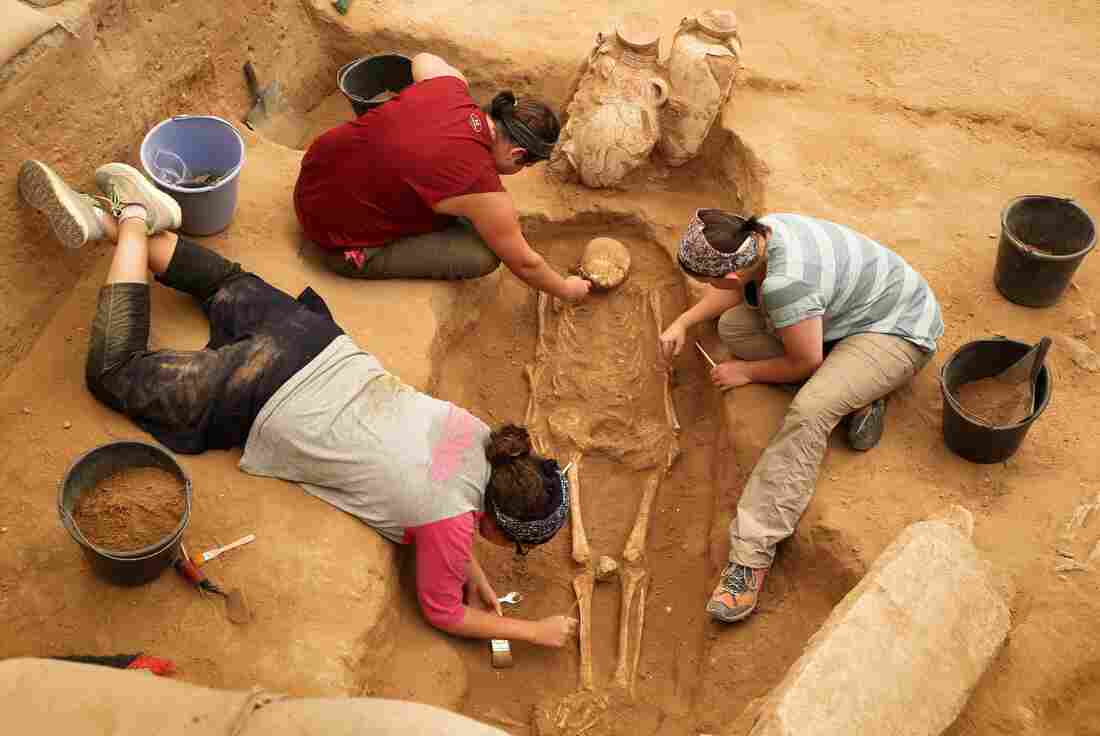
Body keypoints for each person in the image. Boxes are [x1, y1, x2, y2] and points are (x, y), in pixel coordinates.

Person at [18, 159, 578, 648]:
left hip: (313, 339)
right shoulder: (451, 525)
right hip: (259, 391)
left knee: (223, 285)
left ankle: (112, 222)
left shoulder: (483, 436)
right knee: (115, 373)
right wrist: (533, 631)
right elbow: (442, 610)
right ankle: (136, 220)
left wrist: (468, 565)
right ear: (500, 528)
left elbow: (444, 493)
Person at [659, 209, 943, 623]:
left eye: (708, 281)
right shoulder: (760, 236)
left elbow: (804, 362)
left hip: (899, 331)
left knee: (810, 410)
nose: (706, 288)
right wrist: (684, 321)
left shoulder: (786, 284)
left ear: (733, 274)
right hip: (852, 315)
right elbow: (735, 294)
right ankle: (856, 385)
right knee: (735, 330)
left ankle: (750, 557)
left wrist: (746, 372)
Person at [294, 53, 591, 302]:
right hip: (336, 239)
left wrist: (452, 86)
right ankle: (366, 256)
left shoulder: (450, 88)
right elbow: (526, 263)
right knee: (483, 255)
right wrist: (567, 289)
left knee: (447, 201)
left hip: (313, 176)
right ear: (517, 154)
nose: (517, 173)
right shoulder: (482, 188)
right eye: (523, 167)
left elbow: (423, 59)